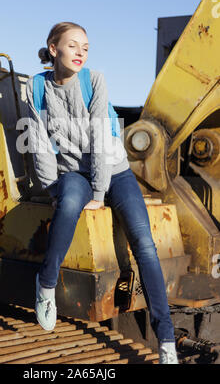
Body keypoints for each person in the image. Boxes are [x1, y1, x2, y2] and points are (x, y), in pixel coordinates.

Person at [25, 22, 178, 364]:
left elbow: (100, 138)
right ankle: (45, 286)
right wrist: (54, 187)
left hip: (115, 168)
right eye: (73, 45)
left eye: (86, 47)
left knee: (143, 241)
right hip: (73, 172)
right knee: (66, 205)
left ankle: (166, 340)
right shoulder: (36, 87)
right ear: (54, 49)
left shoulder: (94, 80)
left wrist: (99, 191)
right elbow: (38, 144)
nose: (81, 52)